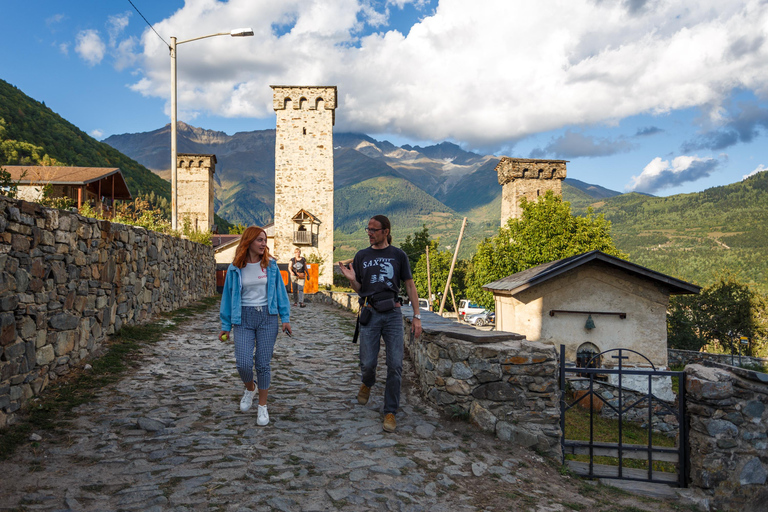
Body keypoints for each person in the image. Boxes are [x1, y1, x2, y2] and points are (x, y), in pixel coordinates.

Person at [338, 215, 422, 433]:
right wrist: (350, 279)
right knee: (367, 363)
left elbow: (410, 286)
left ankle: (390, 411)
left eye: (374, 230)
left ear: (385, 232)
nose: (369, 233)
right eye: (368, 229)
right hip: (369, 312)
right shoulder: (362, 256)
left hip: (393, 314)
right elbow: (360, 289)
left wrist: (416, 315)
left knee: (395, 365)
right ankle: (368, 381)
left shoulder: (398, 255)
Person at [219, 226, 292, 426]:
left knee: (262, 364)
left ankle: (262, 407)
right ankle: (250, 388)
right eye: (259, 240)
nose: (263, 244)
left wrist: (285, 318)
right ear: (249, 241)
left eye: (264, 240)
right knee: (243, 363)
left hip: (268, 318)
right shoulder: (235, 268)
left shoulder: (271, 266)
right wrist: (226, 325)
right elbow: (227, 297)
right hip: (243, 318)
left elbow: (280, 294)